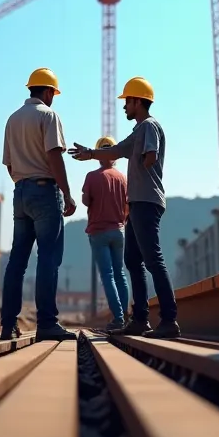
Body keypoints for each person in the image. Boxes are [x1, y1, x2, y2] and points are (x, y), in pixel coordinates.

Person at [70, 76, 180, 340]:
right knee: (132, 261)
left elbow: (149, 155)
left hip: (147, 201)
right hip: (136, 203)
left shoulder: (149, 126)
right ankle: (140, 319)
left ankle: (169, 320)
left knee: (153, 259)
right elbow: (118, 150)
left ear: (138, 101)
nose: (124, 107)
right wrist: (91, 154)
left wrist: (145, 160)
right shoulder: (138, 130)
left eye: (127, 101)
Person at [0, 68, 77, 343]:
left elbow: (9, 164)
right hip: (45, 191)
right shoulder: (48, 115)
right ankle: (47, 323)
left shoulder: (13, 119)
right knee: (48, 258)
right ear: (47, 92)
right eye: (53, 94)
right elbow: (55, 156)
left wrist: (23, 183)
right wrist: (66, 193)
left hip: (20, 192)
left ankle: (7, 324)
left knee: (17, 262)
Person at [82, 135, 129, 332]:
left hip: (99, 231)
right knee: (120, 274)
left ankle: (117, 318)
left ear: (99, 154)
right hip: (119, 231)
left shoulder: (92, 177)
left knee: (108, 276)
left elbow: (86, 201)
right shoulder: (122, 178)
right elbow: (128, 205)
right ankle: (125, 317)